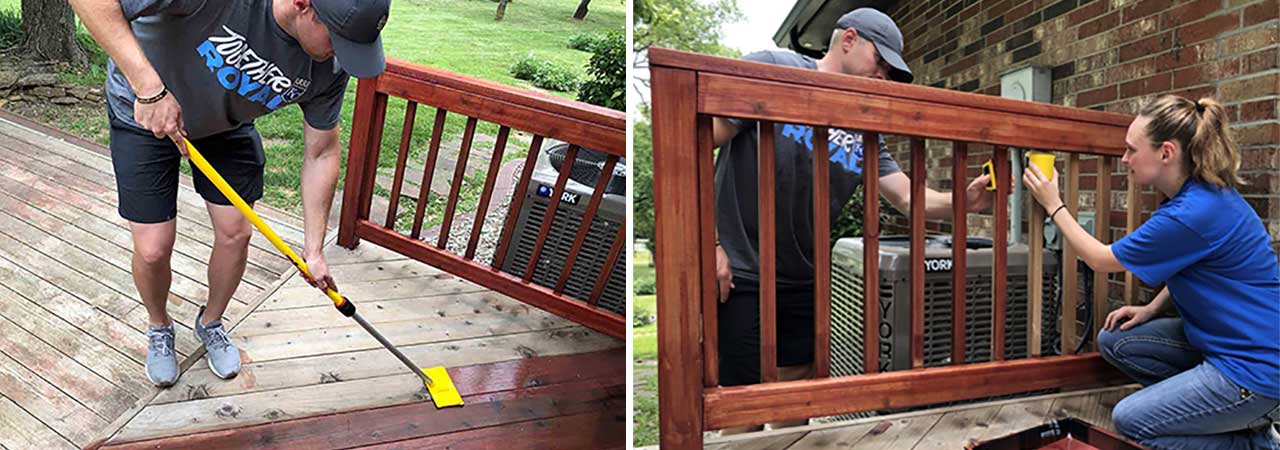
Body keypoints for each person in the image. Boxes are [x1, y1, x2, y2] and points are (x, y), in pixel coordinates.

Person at [70, 0, 389, 387]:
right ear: (303, 4)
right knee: (153, 247)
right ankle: (159, 325)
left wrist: (315, 249)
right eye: (337, 40)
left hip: (225, 122)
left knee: (236, 233)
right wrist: (150, 89)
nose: (340, 55)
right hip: (145, 111)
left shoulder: (329, 68)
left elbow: (321, 150)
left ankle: (211, 321)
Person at [710, 8, 997, 432]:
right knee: (743, 405)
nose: (882, 76)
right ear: (848, 40)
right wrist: (709, 242)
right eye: (879, 62)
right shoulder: (773, 69)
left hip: (803, 276)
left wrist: (965, 201)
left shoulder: (863, 128)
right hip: (742, 270)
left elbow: (907, 197)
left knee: (797, 393)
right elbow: (696, 142)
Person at [1022, 95, 1280, 449]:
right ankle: (1222, 418)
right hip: (1224, 346)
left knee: (1131, 421)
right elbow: (1195, 265)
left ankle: (1255, 443)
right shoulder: (1198, 197)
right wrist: (1150, 309)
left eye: (1131, 149)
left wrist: (1054, 204)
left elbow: (1099, 259)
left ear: (1166, 153)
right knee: (1117, 340)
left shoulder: (1193, 213)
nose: (1124, 158)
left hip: (1256, 372)